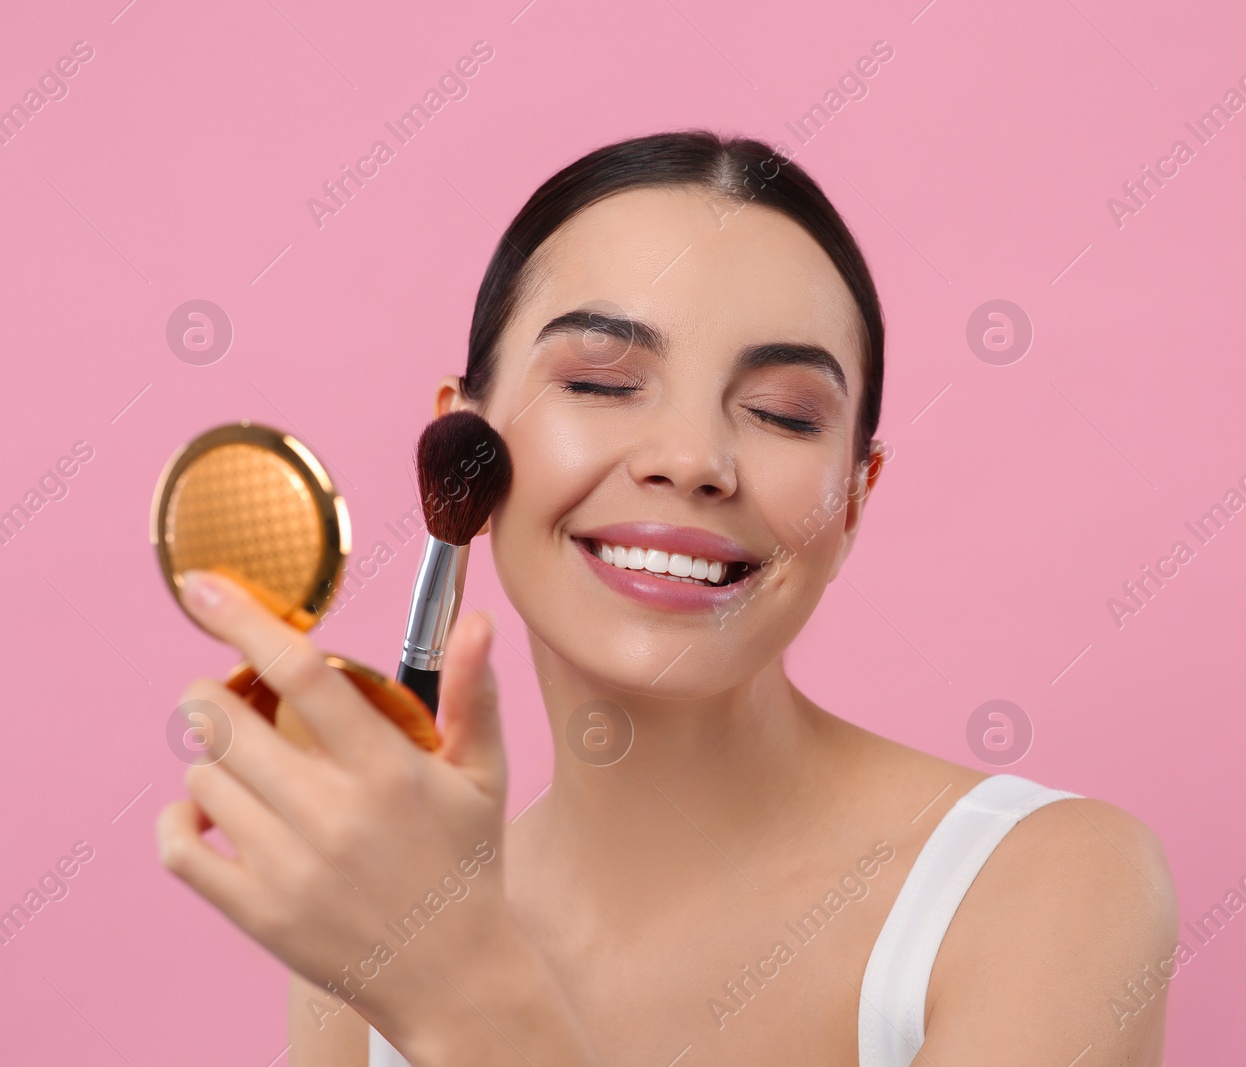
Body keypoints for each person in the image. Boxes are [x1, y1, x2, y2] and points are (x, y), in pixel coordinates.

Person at [156, 129, 1178, 1067]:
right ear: (461, 441)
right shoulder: (372, 924)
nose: (693, 459)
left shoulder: (1043, 885)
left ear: (855, 496)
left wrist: (468, 1003)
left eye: (780, 411)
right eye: (601, 381)